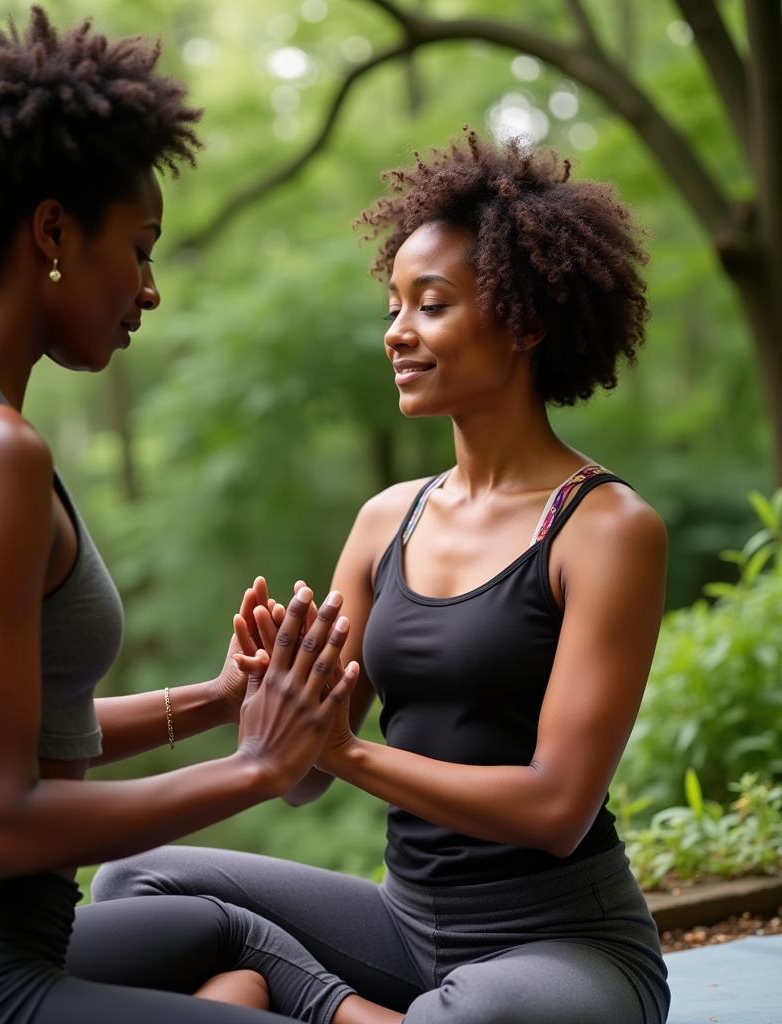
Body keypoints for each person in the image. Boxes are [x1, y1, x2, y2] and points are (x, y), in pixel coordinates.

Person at [0, 9, 371, 1023]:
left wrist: (219, 698)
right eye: (138, 249)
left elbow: (1, 734)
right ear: (52, 231)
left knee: (227, 938)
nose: (146, 290)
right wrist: (259, 767)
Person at [93, 131, 673, 1024]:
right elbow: (301, 781)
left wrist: (346, 750)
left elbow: (557, 806)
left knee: (479, 1014)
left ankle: (305, 1004)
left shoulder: (605, 529)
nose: (396, 332)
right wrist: (272, 704)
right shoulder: (385, 521)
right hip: (401, 925)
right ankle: (338, 1006)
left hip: (560, 946)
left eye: (430, 305)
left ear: (523, 320)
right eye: (394, 305)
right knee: (137, 882)